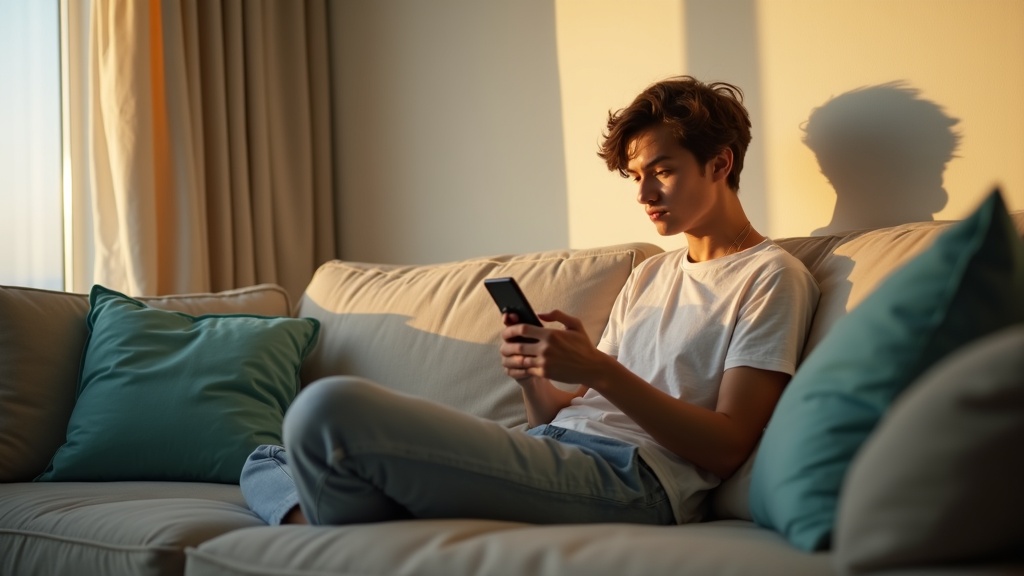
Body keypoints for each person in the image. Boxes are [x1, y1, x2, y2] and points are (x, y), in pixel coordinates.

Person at [239, 75, 820, 527]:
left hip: (634, 481)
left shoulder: (771, 277)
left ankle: (332, 525)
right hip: (553, 447)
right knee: (266, 455)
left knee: (327, 411)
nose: (643, 193)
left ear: (720, 163)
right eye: (636, 175)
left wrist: (600, 368)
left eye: (662, 171)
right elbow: (565, 416)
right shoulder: (651, 276)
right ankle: (348, 529)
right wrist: (534, 380)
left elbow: (727, 446)